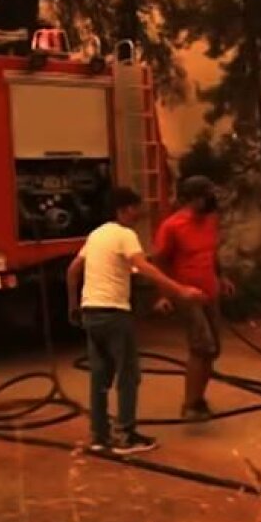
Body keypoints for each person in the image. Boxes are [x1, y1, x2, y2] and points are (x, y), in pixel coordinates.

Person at [67, 186, 205, 454]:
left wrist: (74, 307)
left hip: (91, 313)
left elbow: (73, 271)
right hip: (114, 314)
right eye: (135, 208)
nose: (139, 213)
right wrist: (180, 290)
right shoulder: (125, 235)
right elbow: (143, 266)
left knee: (99, 377)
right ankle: (126, 436)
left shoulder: (96, 235)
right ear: (123, 210)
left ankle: (99, 437)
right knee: (128, 374)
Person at [152, 175, 235, 421]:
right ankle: (189, 405)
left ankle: (198, 401)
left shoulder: (210, 220)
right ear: (190, 199)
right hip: (186, 295)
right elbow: (159, 261)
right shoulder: (172, 226)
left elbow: (211, 253)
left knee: (213, 349)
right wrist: (165, 294)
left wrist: (222, 277)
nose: (211, 200)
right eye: (205, 195)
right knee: (201, 347)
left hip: (210, 292)